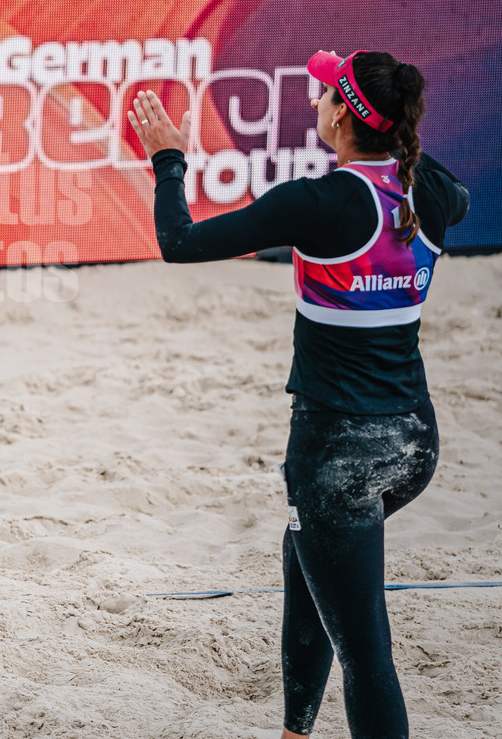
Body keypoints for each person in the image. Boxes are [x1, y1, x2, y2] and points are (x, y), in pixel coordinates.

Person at [127, 50, 469, 739]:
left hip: (340, 454)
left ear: (343, 113)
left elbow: (180, 242)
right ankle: (295, 732)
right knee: (308, 562)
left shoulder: (317, 203)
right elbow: (451, 195)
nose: (314, 99)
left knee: (368, 655)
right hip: (414, 442)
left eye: (323, 92)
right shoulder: (427, 188)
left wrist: (169, 161)